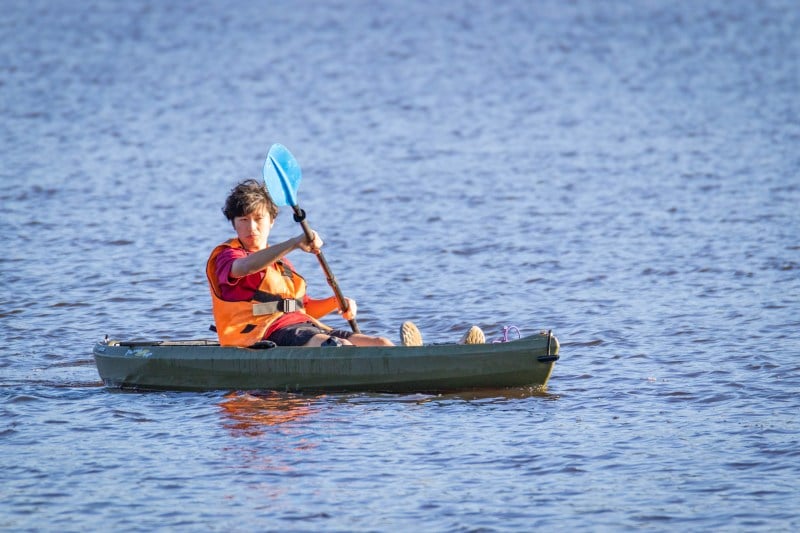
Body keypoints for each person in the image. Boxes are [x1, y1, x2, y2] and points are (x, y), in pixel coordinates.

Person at [207, 179, 484, 348]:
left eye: (258, 219)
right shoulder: (227, 255)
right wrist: (293, 242)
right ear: (233, 223)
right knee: (335, 347)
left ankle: (428, 359)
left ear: (271, 221)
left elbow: (300, 306)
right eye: (243, 220)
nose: (251, 227)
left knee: (379, 344)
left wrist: (336, 303)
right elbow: (243, 269)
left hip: (302, 324)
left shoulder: (282, 266)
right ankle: (415, 368)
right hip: (262, 335)